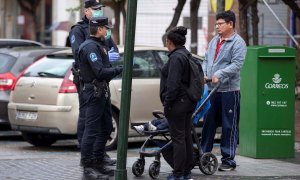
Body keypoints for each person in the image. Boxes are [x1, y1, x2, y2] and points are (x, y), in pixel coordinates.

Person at [69, 0, 119, 166]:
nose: (98, 11)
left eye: (100, 9)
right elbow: (79, 53)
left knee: (104, 120)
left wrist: (110, 57)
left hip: (103, 78)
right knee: (88, 119)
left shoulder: (103, 28)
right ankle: (86, 157)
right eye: (95, 9)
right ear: (87, 11)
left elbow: (112, 48)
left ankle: (99, 155)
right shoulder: (79, 30)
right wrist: (102, 61)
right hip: (88, 79)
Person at [200, 10, 247, 171]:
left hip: (229, 91)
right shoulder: (215, 40)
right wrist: (204, 73)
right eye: (217, 24)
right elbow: (206, 59)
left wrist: (219, 74)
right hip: (212, 90)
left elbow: (237, 65)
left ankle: (228, 160)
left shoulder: (238, 43)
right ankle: (203, 156)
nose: (217, 26)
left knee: (229, 126)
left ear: (230, 24)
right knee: (208, 124)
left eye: (220, 24)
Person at [77, 16, 123, 179]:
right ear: (99, 29)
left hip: (102, 91)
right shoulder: (90, 47)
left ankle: (98, 161)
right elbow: (100, 72)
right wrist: (119, 70)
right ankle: (87, 166)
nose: (108, 30)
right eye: (106, 28)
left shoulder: (99, 45)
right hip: (93, 92)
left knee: (106, 127)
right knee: (91, 130)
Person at [160, 26, 197, 180]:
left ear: (169, 42)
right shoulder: (186, 55)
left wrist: (167, 104)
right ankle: (187, 172)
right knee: (186, 137)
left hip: (177, 104)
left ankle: (178, 174)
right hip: (188, 102)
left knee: (178, 139)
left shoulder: (176, 58)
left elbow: (173, 85)